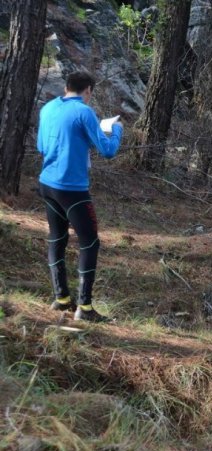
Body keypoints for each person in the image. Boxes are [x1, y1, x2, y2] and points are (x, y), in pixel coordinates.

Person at [36, 71, 124, 322]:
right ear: (88, 91)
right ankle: (84, 308)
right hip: (72, 188)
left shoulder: (48, 108)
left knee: (57, 237)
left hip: (47, 183)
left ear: (66, 87)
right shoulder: (84, 112)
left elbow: (41, 146)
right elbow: (107, 151)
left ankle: (61, 299)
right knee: (89, 242)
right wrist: (116, 130)